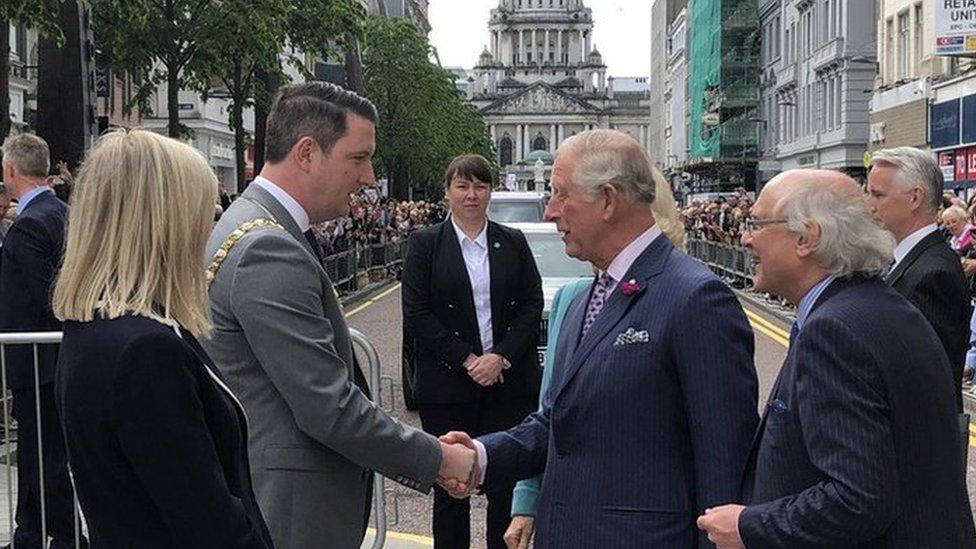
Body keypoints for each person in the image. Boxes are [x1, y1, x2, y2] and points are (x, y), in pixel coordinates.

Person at [440, 129, 759, 547]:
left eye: (560, 194)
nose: (550, 212)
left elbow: (724, 466)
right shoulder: (583, 300)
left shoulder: (696, 299)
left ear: (608, 200)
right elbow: (558, 423)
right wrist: (479, 458)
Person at [202, 82, 473, 549]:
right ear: (307, 153)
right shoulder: (268, 248)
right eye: (358, 157)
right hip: (290, 512)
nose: (368, 177)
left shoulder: (256, 225)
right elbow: (328, 407)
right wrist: (439, 459)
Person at [698, 169, 976, 548]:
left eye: (757, 223)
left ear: (806, 237)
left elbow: (859, 499)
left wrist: (748, 525)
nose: (745, 238)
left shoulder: (834, 331)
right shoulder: (876, 307)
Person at [50, 129, 272, 548]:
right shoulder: (146, 352)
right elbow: (207, 521)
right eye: (205, 215)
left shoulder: (94, 329)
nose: (210, 229)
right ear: (168, 223)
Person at [503, 166, 687, 549]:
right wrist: (527, 500)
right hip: (569, 520)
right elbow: (551, 413)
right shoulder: (572, 300)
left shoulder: (688, 298)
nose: (551, 214)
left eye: (563, 198)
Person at [401, 154, 543, 549]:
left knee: (503, 487)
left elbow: (531, 304)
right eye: (462, 186)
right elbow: (416, 313)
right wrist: (468, 360)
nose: (471, 195)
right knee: (451, 490)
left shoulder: (512, 242)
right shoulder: (425, 244)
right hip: (447, 386)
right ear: (447, 191)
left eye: (479, 186)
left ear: (490, 191)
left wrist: (500, 357)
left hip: (507, 384)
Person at [0, 133, 83, 549]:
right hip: (46, 359)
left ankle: (67, 535)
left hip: (39, 362)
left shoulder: (31, 225)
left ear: (11, 170)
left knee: (44, 453)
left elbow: (47, 295)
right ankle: (29, 531)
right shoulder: (61, 213)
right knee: (37, 449)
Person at [867, 147, 971, 411]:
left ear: (915, 198)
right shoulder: (909, 258)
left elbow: (927, 381)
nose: (870, 205)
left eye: (878, 194)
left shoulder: (933, 273)